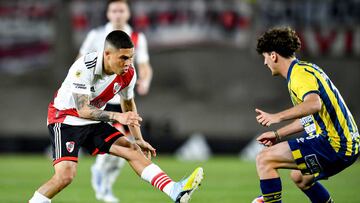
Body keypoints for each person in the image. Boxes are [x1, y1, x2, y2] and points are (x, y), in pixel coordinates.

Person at [29, 30, 203, 203]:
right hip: (65, 120)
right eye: (123, 58)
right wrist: (116, 117)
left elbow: (128, 104)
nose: (128, 63)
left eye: (131, 57)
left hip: (92, 121)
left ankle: (175, 191)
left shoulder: (128, 73)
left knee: (133, 150)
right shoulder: (83, 68)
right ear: (107, 54)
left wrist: (138, 139)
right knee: (65, 176)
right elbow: (82, 110)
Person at [252, 27, 359, 203]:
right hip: (348, 144)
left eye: (265, 57)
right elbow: (311, 117)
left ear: (273, 55)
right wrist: (278, 135)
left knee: (265, 159)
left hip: (336, 145)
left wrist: (276, 117)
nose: (265, 63)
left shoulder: (298, 75)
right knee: (300, 177)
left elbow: (313, 105)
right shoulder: (306, 69)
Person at [78, 0, 153, 202]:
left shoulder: (137, 37)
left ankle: (104, 184)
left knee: (124, 150)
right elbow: (80, 61)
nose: (118, 14)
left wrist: (145, 80)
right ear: (108, 14)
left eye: (122, 10)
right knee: (120, 143)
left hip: (121, 99)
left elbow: (144, 64)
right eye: (114, 10)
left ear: (128, 13)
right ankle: (101, 180)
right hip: (98, 102)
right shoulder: (96, 36)